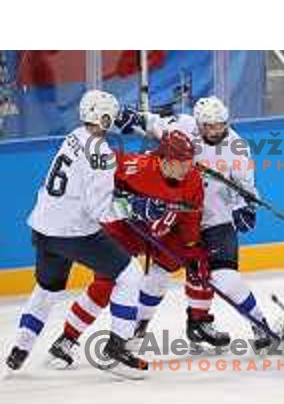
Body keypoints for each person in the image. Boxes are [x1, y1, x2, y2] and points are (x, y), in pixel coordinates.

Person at [6, 90, 147, 375]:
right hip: (73, 232)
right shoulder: (102, 152)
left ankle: (20, 348)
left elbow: (80, 182)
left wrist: (111, 192)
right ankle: (118, 347)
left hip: (44, 227)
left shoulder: (73, 136)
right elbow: (100, 211)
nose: (115, 120)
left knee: (46, 289)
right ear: (104, 117)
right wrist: (133, 207)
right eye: (113, 114)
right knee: (130, 275)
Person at [117, 96, 271, 350]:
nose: (214, 131)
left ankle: (259, 324)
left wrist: (247, 207)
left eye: (220, 125)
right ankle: (138, 327)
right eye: (208, 126)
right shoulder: (184, 126)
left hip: (214, 220)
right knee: (158, 274)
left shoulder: (237, 148)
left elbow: (246, 189)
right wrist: (133, 117)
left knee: (225, 278)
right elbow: (154, 123)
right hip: (178, 214)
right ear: (199, 123)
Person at [47, 130, 204, 367]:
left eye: (189, 162)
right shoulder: (136, 166)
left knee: (170, 265)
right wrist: (125, 199)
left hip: (161, 233)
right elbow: (99, 169)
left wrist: (191, 247)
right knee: (105, 284)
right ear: (162, 159)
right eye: (179, 163)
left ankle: (137, 327)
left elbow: (192, 216)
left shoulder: (193, 179)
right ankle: (67, 338)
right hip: (124, 231)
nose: (186, 168)